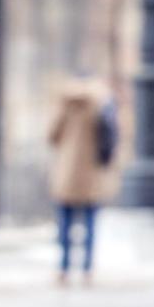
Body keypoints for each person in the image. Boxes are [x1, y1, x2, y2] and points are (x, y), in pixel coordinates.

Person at [48, 79, 114, 285]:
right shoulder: (99, 105)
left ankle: (64, 269)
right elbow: (109, 136)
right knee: (90, 224)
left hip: (67, 172)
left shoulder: (65, 106)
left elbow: (52, 136)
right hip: (90, 172)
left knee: (65, 225)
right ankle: (87, 270)